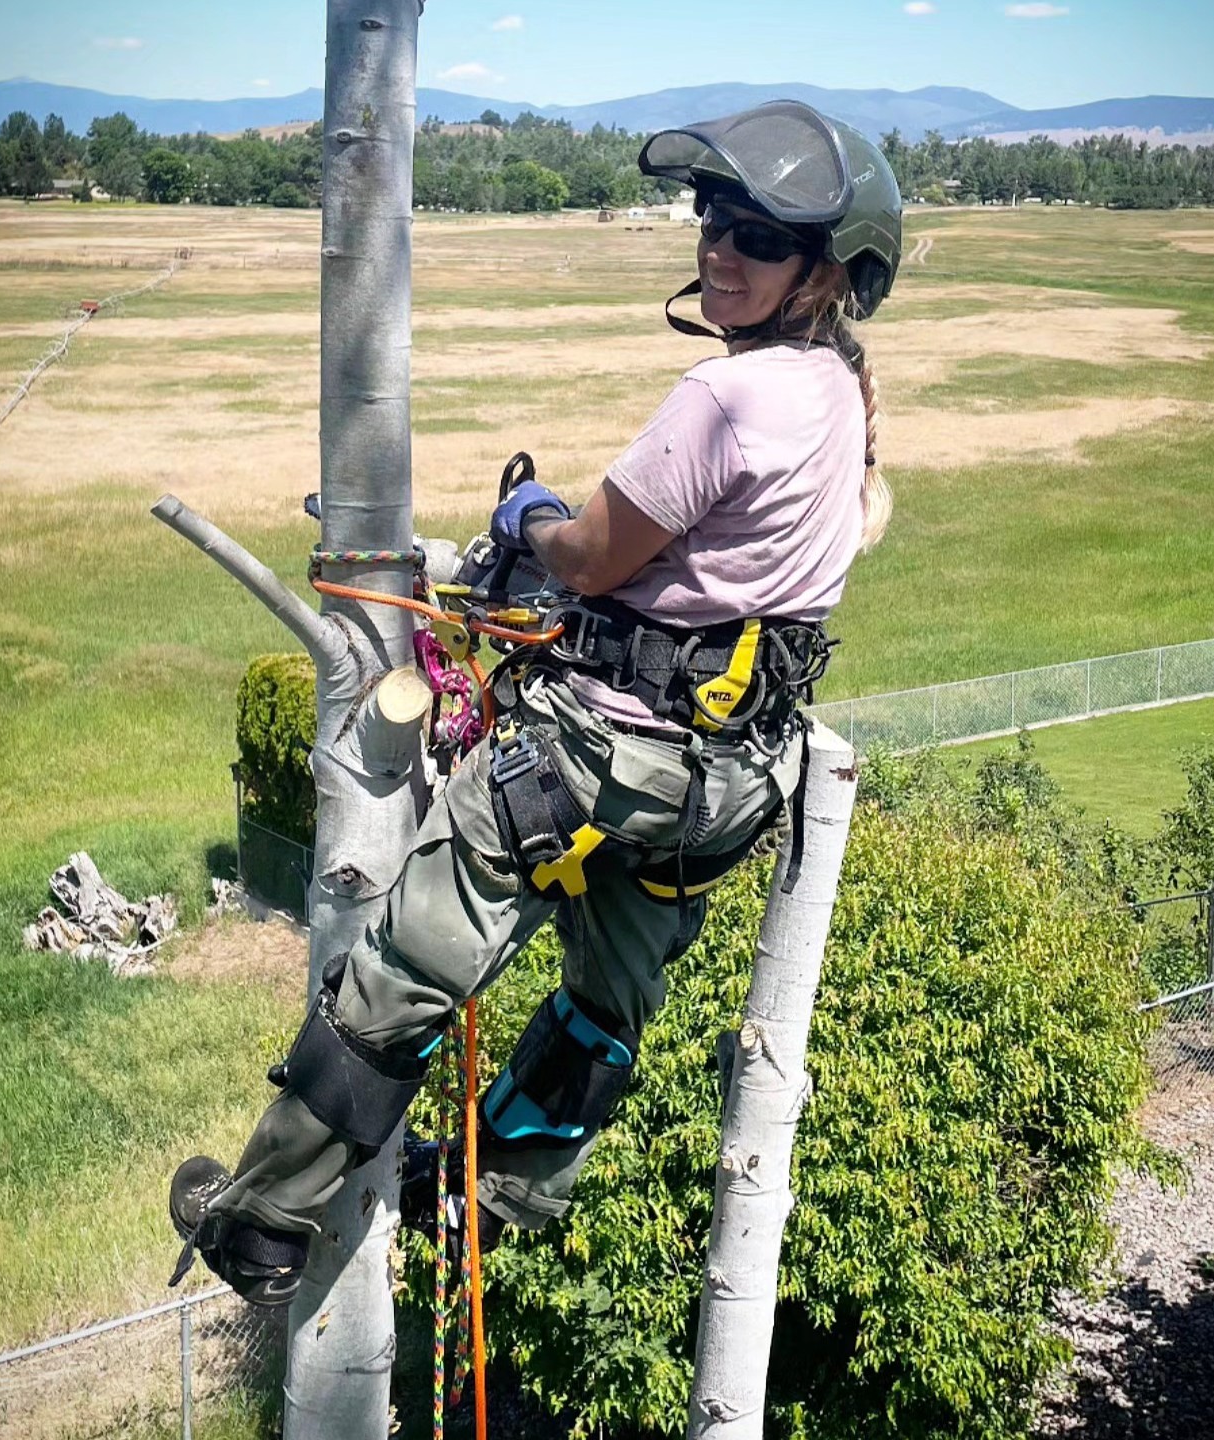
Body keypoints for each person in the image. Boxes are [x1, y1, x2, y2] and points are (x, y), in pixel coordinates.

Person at [169, 100, 903, 1307]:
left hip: (604, 759)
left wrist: (530, 522)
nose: (720, 247)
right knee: (609, 1004)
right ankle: (494, 1189)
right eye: (714, 218)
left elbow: (590, 559)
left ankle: (260, 1221)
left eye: (758, 237)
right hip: (729, 787)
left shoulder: (727, 399)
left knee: (406, 966)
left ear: (825, 271)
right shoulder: (837, 390)